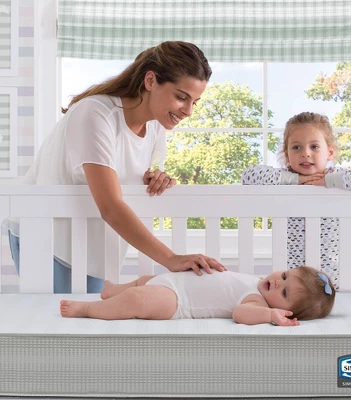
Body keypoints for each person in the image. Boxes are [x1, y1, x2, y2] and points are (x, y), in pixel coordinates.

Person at [8, 41, 226, 294]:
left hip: (92, 247)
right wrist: (171, 258)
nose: (188, 111)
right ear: (150, 81)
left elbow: (130, 174)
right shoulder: (95, 113)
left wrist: (157, 178)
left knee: (88, 316)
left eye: (194, 102)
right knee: (54, 316)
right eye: (181, 97)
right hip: (49, 237)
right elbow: (110, 205)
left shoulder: (155, 127)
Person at [242, 112, 351, 289]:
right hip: (293, 271)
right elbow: (249, 176)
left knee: (326, 298)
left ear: (330, 152)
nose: (305, 154)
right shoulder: (284, 179)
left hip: (329, 270)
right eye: (296, 148)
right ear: (287, 155)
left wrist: (329, 181)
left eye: (314, 147)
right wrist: (296, 180)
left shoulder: (336, 177)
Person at [59, 266, 335, 325]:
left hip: (178, 301)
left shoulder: (256, 302)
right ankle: (113, 290)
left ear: (287, 310)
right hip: (173, 281)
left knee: (138, 299)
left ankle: (87, 309)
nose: (277, 282)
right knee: (143, 280)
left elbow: (240, 314)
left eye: (284, 292)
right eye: (284, 275)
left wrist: (270, 315)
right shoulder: (257, 282)